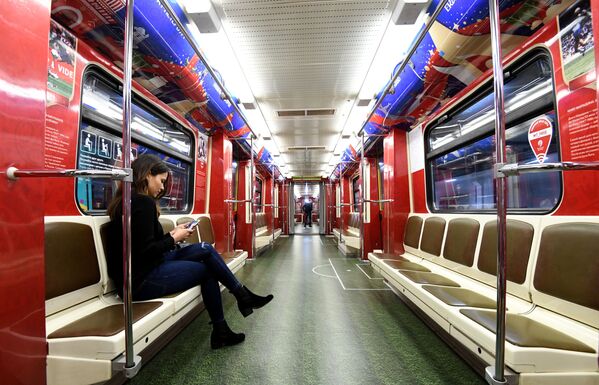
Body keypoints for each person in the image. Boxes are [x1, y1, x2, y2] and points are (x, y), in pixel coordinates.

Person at [106, 154, 273, 349]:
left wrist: (174, 233)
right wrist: (174, 238)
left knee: (205, 249)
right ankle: (233, 312)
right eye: (161, 181)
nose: (162, 188)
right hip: (140, 280)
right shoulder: (143, 203)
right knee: (207, 270)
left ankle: (237, 304)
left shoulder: (130, 201)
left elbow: (143, 244)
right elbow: (145, 252)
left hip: (144, 268)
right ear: (147, 175)